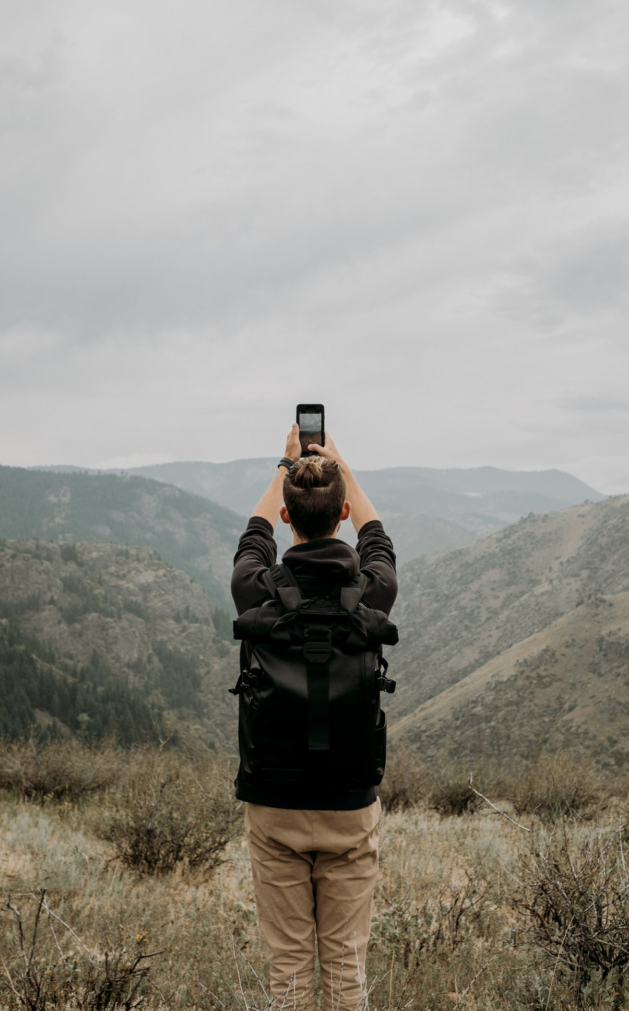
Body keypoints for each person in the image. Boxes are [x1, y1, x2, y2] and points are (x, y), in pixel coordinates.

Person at [230, 424, 398, 1011]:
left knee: (290, 972)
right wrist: (341, 467)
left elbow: (254, 538)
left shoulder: (256, 590)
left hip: (273, 801)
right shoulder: (372, 591)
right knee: (347, 968)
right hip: (349, 804)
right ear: (342, 510)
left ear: (286, 515)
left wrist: (285, 466)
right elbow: (376, 539)